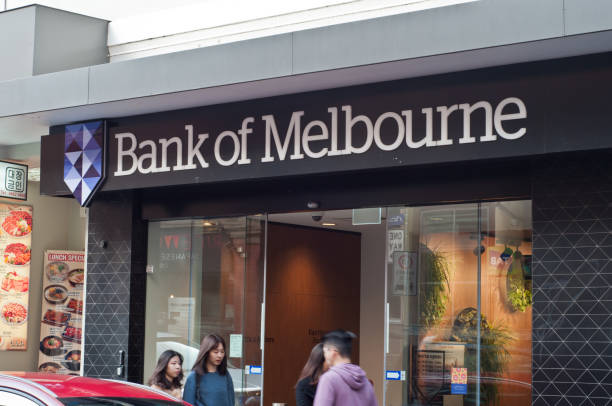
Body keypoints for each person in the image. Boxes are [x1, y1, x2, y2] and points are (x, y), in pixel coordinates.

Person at [313, 330, 377, 406]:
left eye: (325, 351)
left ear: (333, 351)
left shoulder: (329, 379)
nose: (324, 355)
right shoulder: (366, 382)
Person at [183, 334, 235, 406]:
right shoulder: (194, 377)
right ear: (206, 352)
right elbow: (187, 403)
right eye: (215, 352)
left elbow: (231, 401)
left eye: (222, 352)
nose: (219, 355)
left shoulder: (225, 375)